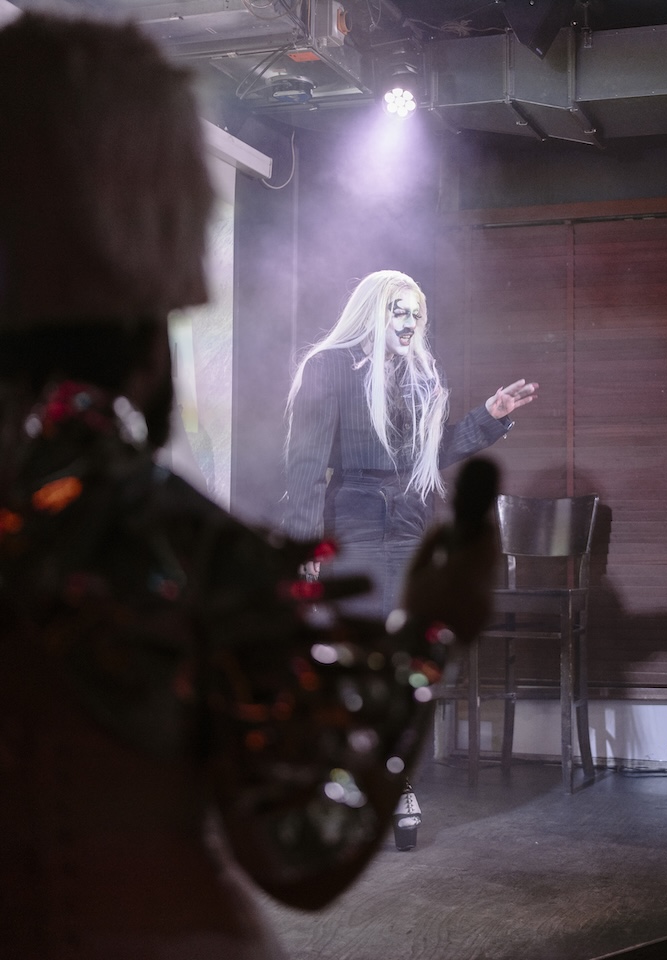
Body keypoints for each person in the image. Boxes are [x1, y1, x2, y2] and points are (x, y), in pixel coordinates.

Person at [0, 13, 498, 959]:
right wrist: (434, 636)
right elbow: (305, 849)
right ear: (160, 293)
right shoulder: (173, 544)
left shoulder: (409, 385)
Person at [282, 269, 536, 621]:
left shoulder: (421, 374)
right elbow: (306, 465)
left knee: (406, 631)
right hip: (355, 527)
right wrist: (304, 542)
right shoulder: (329, 367)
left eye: (416, 315)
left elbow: (430, 454)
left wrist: (488, 416)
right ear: (371, 313)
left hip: (410, 526)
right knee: (359, 632)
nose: (410, 324)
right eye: (400, 312)